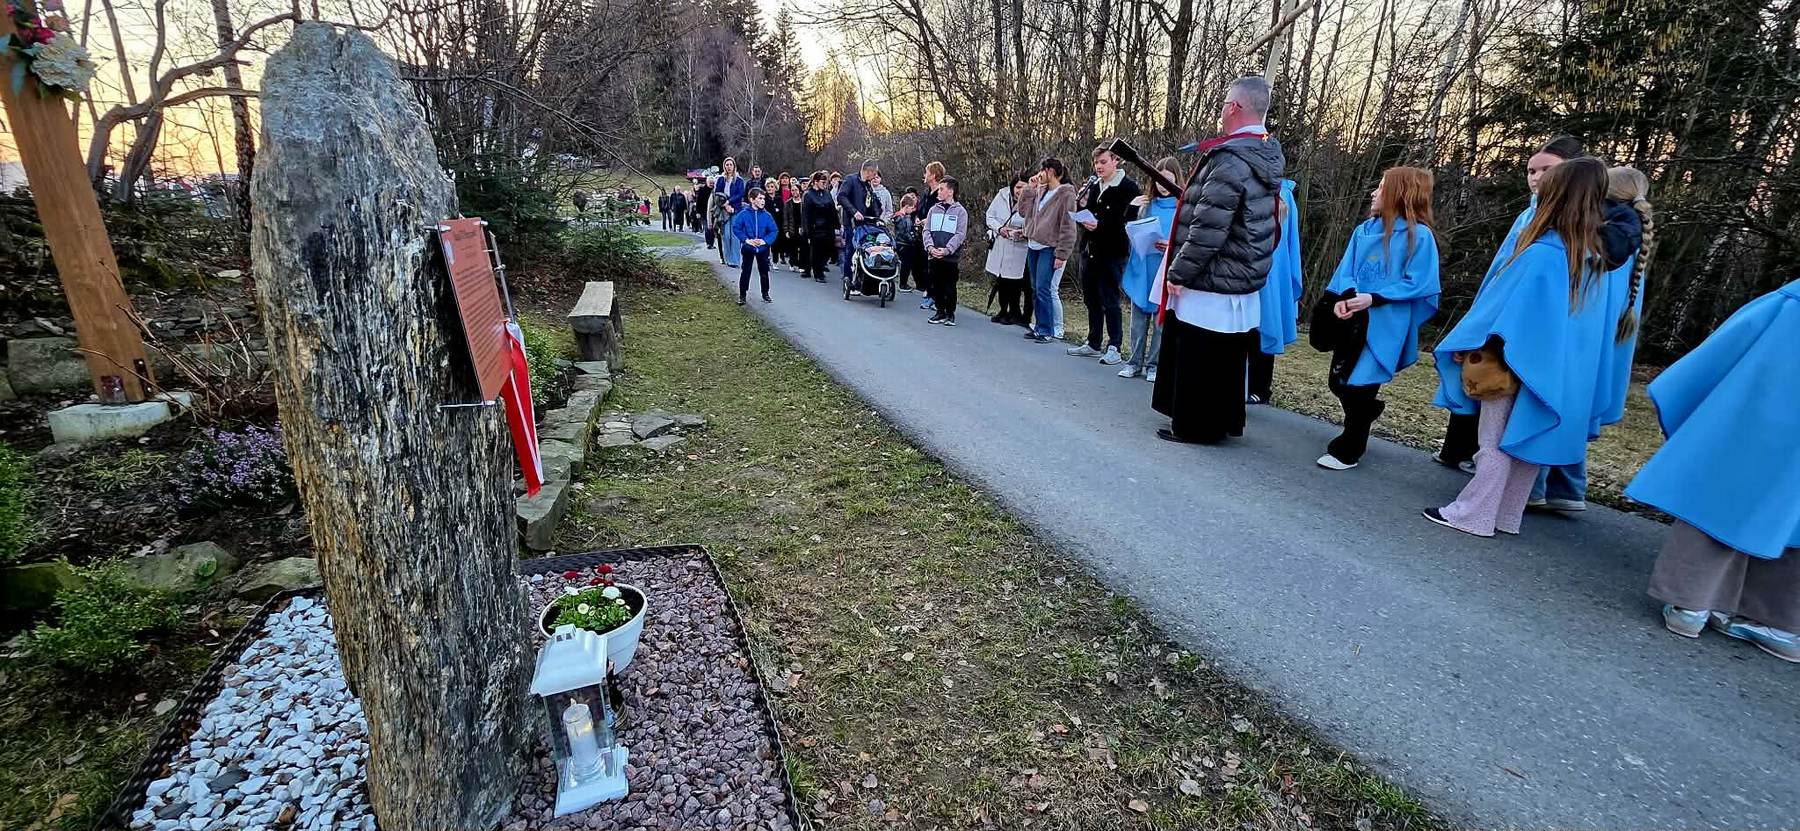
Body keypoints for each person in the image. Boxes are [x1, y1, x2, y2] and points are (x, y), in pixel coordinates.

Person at [1423, 157, 1615, 537]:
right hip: (1557, 371)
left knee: (1493, 442)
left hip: (1511, 363)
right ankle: (1506, 516)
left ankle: (1472, 514)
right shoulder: (1595, 261)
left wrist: (1468, 344)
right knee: (1528, 442)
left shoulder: (1542, 253)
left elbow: (1500, 310)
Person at [1624, 279, 1800, 662]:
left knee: (1720, 493)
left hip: (1752, 423)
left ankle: (1692, 603)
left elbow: (1721, 353)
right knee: (1790, 516)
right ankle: (1781, 624)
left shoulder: (1792, 303)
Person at [1433, 135, 1585, 473]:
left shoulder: (1565, 230)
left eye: (1546, 170)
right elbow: (1500, 272)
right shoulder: (1529, 216)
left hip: (1521, 331)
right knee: (1488, 394)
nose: (1536, 177)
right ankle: (1469, 460)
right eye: (1531, 170)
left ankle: (1490, 493)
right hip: (1499, 320)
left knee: (1506, 412)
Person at [1150, 76, 1286, 444]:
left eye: (1225, 103)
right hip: (1240, 272)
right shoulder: (1262, 152)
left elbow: (1209, 227)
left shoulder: (1230, 159)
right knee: (1226, 356)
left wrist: (1179, 272)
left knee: (1201, 354)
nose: (1222, 110)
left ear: (1235, 108)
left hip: (1214, 274)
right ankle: (1224, 420)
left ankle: (1197, 426)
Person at [1527, 167, 1650, 512]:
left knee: (1553, 400)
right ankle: (1567, 489)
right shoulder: (1633, 238)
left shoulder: (1595, 236)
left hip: (1579, 332)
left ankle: (1533, 485)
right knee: (1578, 408)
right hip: (1604, 342)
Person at [1314, 167, 1442, 470]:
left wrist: (1375, 298)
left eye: (1382, 187)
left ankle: (1349, 448)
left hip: (1385, 325)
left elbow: (1421, 282)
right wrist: (1345, 297)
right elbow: (1347, 269)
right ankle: (1366, 412)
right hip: (1353, 319)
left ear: (1400, 194)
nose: (1374, 193)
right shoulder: (1364, 230)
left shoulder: (1419, 236)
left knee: (1361, 383)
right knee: (1340, 381)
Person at [1067, 145, 1143, 365]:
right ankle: (1093, 342)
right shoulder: (1095, 185)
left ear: (1115, 160)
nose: (1098, 167)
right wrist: (1082, 211)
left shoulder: (1128, 187)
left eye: (1103, 162)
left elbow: (1129, 221)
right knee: (1091, 298)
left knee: (1110, 299)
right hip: (1090, 250)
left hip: (1112, 252)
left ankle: (1114, 346)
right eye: (1096, 162)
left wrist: (1100, 225)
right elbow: (1090, 214)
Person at [1120, 157, 1182, 380]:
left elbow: (1187, 239)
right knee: (1138, 320)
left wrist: (1171, 246)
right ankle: (1133, 362)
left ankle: (1154, 364)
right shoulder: (1146, 204)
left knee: (1160, 321)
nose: (1163, 185)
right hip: (1143, 266)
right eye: (1159, 180)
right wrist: (1131, 209)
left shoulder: (1182, 206)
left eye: (1168, 180)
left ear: (1176, 179)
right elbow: (1129, 229)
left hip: (1165, 269)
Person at [1248, 177, 1302, 403]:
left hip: (1271, 270)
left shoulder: (1284, 194)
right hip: (1246, 267)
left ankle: (1259, 387)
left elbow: (1287, 241)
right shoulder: (1247, 184)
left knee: (1265, 324)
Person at [1019, 158, 1080, 344]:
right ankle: (1039, 326)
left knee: (1043, 288)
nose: (1039, 174)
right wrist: (1029, 189)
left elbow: (1068, 225)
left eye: (1042, 170)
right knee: (1035, 288)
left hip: (1049, 246)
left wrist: (1062, 253)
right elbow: (1023, 212)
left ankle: (1047, 329)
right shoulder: (1040, 191)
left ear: (1050, 172)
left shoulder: (1066, 194)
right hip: (1033, 244)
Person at [923, 177, 970, 326]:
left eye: (942, 189)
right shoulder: (933, 209)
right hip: (934, 255)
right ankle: (940, 311)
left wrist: (948, 249)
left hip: (950, 257)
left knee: (949, 286)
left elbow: (960, 234)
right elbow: (926, 230)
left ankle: (950, 313)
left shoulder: (960, 212)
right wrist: (930, 247)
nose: (939, 192)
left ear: (950, 191)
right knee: (936, 285)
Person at [984, 173, 1030, 324]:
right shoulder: (1002, 196)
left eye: (1023, 188)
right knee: (1001, 280)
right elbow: (990, 216)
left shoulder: (1032, 201)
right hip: (1001, 242)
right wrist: (999, 228)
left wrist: (1022, 232)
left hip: (1019, 246)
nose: (1019, 191)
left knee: (1015, 282)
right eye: (1018, 187)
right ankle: (1003, 310)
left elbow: (1034, 224)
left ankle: (1014, 312)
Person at [837, 160, 882, 285]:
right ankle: (848, 278)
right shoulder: (850, 180)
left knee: (865, 250)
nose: (875, 176)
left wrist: (877, 213)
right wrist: (854, 211)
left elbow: (870, 203)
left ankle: (862, 279)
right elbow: (841, 196)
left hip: (866, 223)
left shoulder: (868, 185)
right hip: (852, 222)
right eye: (874, 173)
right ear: (869, 171)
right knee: (851, 249)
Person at [731, 188, 778, 305]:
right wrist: (746, 240)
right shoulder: (744, 214)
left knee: (764, 271)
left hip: (763, 248)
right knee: (746, 271)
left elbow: (773, 230)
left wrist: (764, 241)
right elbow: (736, 228)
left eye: (764, 198)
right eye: (760, 198)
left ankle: (765, 293)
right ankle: (742, 295)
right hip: (748, 247)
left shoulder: (767, 215)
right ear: (752, 200)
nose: (763, 201)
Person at [912, 162, 946, 310]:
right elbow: (920, 209)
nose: (924, 175)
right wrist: (917, 218)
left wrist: (929, 220)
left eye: (926, 172)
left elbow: (942, 212)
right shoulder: (927, 193)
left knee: (933, 266)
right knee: (922, 265)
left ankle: (935, 296)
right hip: (923, 233)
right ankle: (928, 291)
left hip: (936, 235)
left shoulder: (941, 194)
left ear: (933, 175)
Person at [800, 170, 839, 283]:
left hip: (828, 226)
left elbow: (833, 210)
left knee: (828, 249)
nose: (824, 184)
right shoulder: (808, 195)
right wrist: (807, 231)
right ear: (815, 182)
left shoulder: (826, 194)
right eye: (822, 182)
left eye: (825, 182)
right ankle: (818, 273)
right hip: (815, 227)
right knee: (817, 251)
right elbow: (806, 215)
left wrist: (837, 225)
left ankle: (820, 267)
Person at [714, 158, 748, 267]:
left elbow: (740, 194)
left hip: (736, 209)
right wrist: (725, 205)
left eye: (730, 165)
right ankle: (728, 258)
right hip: (724, 210)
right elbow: (717, 193)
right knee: (726, 235)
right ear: (724, 166)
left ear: (734, 166)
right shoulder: (721, 179)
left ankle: (735, 260)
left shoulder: (739, 180)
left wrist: (729, 202)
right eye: (727, 165)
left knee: (734, 235)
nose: (729, 167)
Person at [893, 192, 921, 292]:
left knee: (907, 264)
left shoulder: (902, 217)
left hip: (903, 243)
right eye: (911, 208)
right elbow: (904, 232)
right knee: (906, 265)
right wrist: (913, 239)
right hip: (904, 244)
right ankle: (903, 284)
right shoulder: (901, 218)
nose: (912, 210)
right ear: (906, 206)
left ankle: (903, 283)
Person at [778, 172, 805, 272]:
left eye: (796, 190)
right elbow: (785, 217)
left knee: (802, 247)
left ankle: (801, 265)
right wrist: (786, 230)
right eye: (792, 190)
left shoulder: (804, 202)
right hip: (792, 227)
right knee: (792, 247)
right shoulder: (788, 203)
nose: (794, 192)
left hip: (802, 227)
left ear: (799, 191)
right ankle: (792, 263)